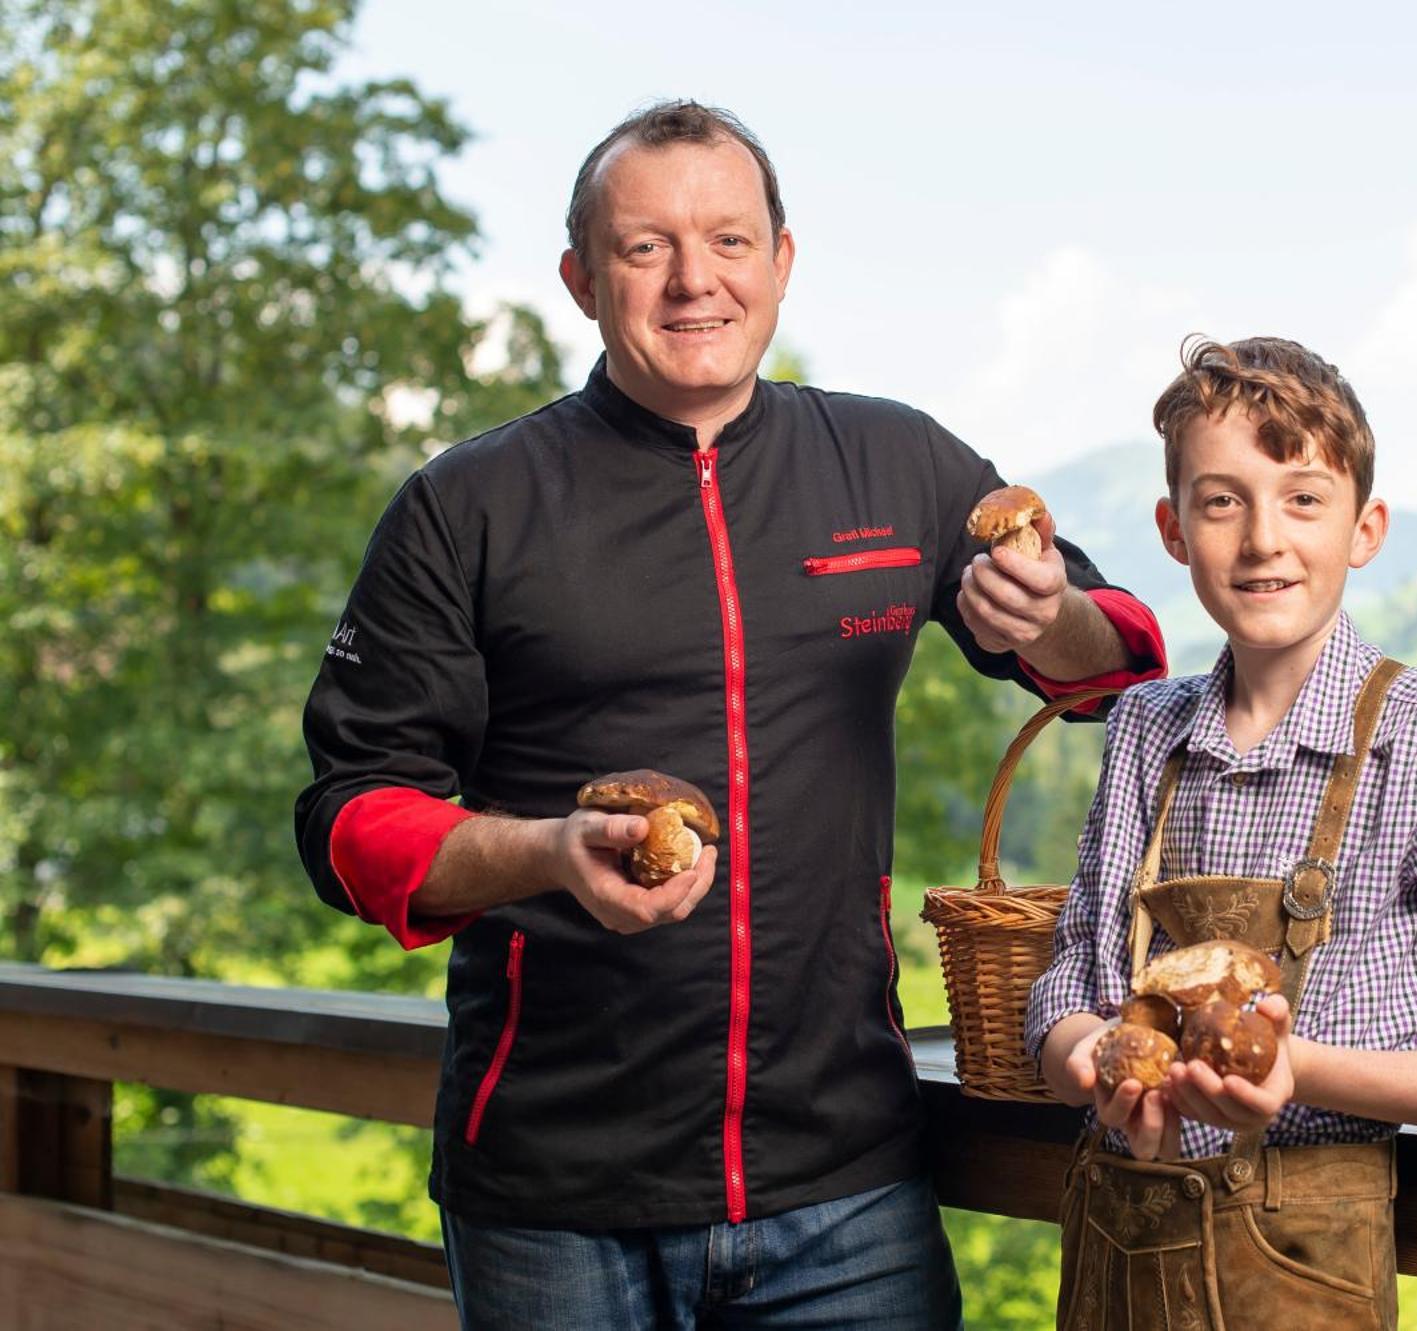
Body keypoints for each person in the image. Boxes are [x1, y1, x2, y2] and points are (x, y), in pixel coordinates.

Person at [294, 100, 1166, 1329]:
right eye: (646, 246)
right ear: (580, 279)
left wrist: (1044, 613)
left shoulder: (893, 460)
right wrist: (547, 852)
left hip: (848, 1187)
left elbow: (1115, 664)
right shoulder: (465, 505)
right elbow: (347, 819)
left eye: (729, 241)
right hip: (553, 1196)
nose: (694, 279)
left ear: (782, 261)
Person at [1026, 337, 1417, 1328]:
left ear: (1364, 528)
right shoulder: (1146, 728)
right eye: (1222, 499)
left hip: (1302, 1263)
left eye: (1302, 499)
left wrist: (1295, 1070)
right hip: (1115, 1238)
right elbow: (1071, 980)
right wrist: (1089, 1062)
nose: (1262, 538)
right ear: (1172, 526)